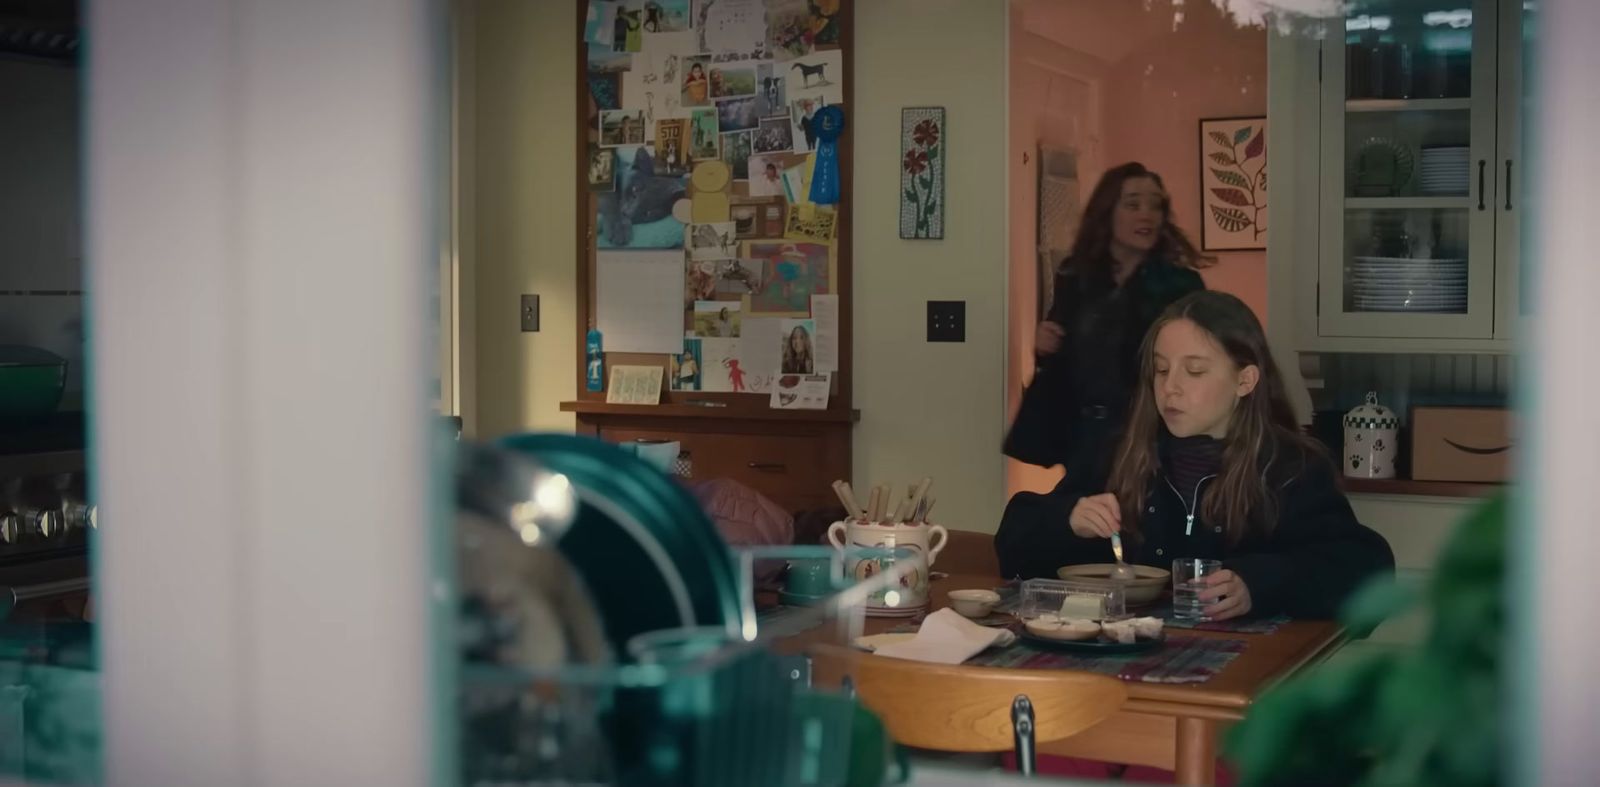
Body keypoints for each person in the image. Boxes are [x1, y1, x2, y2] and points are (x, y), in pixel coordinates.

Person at [994, 291, 1394, 619]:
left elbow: (1365, 567)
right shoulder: (1120, 451)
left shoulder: (1290, 467)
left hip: (1244, 681)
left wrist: (1257, 585)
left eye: (1195, 371)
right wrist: (1067, 520)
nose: (1171, 388)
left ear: (1245, 380)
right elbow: (1012, 542)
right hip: (1122, 664)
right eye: (1161, 370)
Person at [1004, 162, 1210, 473]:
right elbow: (1065, 353)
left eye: (1156, 205)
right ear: (1107, 212)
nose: (1147, 215)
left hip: (1150, 440)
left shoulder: (1180, 285)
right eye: (1133, 204)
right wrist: (1045, 345)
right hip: (1085, 439)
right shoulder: (1077, 274)